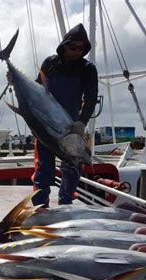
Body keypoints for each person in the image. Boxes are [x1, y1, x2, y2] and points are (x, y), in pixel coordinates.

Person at [31, 23, 98, 207]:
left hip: (70, 126)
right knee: (43, 168)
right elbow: (37, 91)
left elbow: (91, 99)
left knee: (72, 167)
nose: (77, 52)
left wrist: (81, 123)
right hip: (46, 126)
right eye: (73, 47)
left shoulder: (87, 69)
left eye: (81, 48)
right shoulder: (50, 63)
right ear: (64, 45)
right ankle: (39, 208)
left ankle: (65, 207)